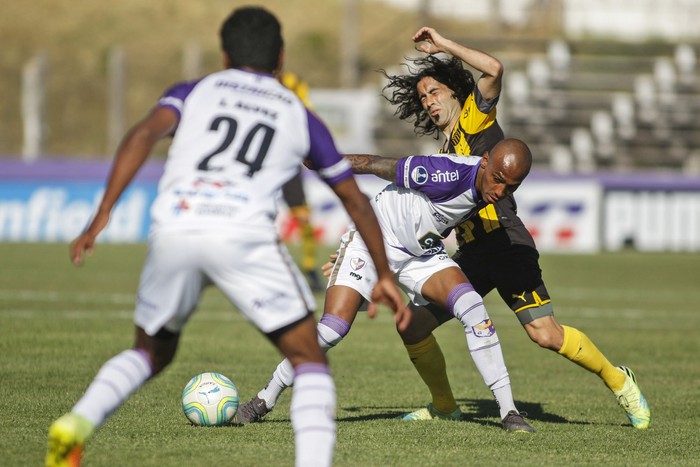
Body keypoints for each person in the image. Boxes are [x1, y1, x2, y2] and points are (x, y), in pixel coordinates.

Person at [44, 7, 409, 467]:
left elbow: (142, 135)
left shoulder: (192, 91)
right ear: (281, 57)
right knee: (310, 360)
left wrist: (102, 213)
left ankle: (78, 422)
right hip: (243, 234)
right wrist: (383, 273)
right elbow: (353, 199)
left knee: (149, 352)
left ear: (222, 54)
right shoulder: (296, 112)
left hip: (176, 228)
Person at [378, 27, 650, 428]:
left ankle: (619, 380)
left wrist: (442, 45)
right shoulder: (444, 152)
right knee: (411, 324)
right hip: (471, 253)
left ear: (455, 91)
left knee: (545, 334)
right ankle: (444, 405)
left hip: (505, 242)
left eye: (435, 91)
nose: (430, 101)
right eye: (423, 97)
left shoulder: (474, 118)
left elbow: (493, 68)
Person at [237, 138, 537, 433]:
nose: (501, 191)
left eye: (511, 186)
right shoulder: (445, 173)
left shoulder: (494, 188)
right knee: (333, 329)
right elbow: (376, 164)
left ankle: (509, 412)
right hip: (372, 242)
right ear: (485, 161)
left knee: (473, 308)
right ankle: (264, 399)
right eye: (497, 180)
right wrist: (324, 162)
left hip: (421, 255)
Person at [279, 71, 323, 291]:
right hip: (259, 166)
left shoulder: (292, 83)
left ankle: (310, 267)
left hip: (287, 165)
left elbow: (308, 112)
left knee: (304, 219)